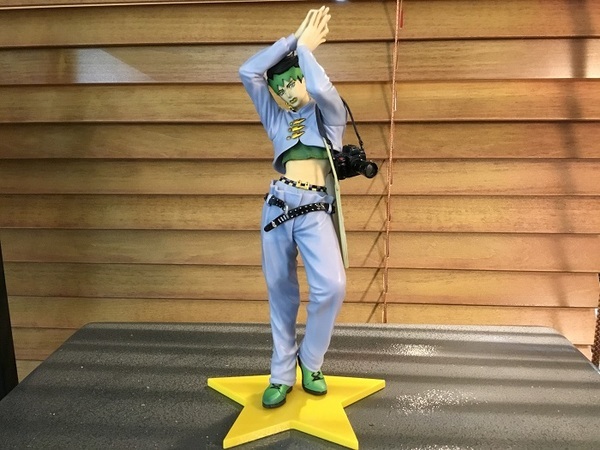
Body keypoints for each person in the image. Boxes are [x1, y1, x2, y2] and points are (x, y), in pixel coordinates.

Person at [239, 6, 347, 409]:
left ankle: (311, 361)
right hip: (277, 205)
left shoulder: (329, 115)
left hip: (314, 208)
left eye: (292, 80)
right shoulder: (277, 120)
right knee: (280, 292)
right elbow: (248, 72)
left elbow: (322, 88)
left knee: (331, 286)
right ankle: (281, 372)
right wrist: (290, 39)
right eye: (279, 86)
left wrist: (305, 50)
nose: (286, 90)